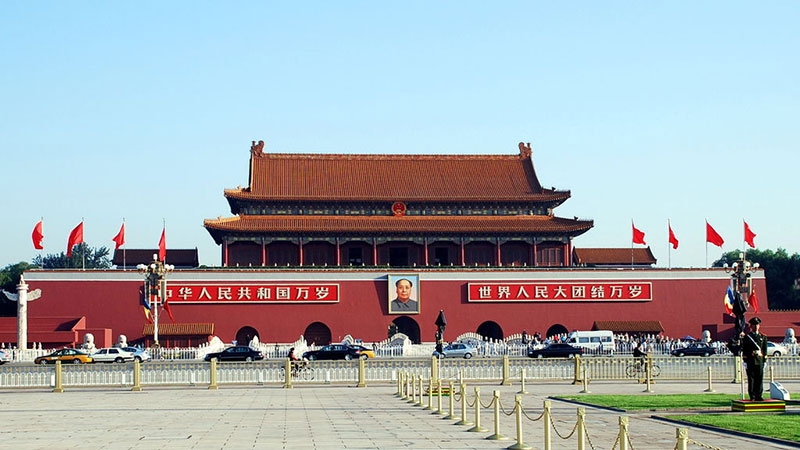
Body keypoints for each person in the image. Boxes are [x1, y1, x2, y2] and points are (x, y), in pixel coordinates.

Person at [741, 316, 768, 401]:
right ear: (751, 326)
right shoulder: (747, 337)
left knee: (759, 379)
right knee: (751, 379)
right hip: (751, 360)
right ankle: (752, 396)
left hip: (759, 361)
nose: (756, 326)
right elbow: (744, 349)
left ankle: (759, 395)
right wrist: (745, 361)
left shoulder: (763, 337)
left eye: (757, 325)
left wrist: (764, 361)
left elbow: (764, 350)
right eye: (754, 325)